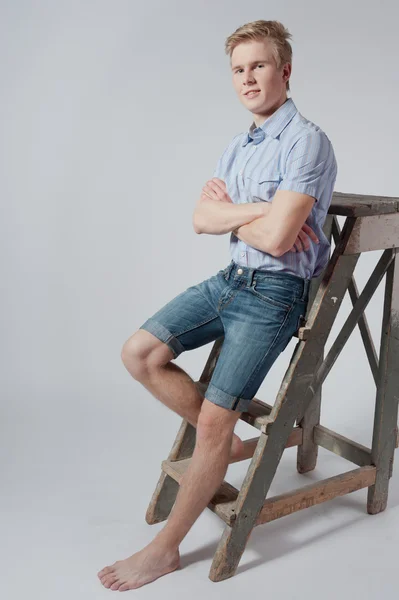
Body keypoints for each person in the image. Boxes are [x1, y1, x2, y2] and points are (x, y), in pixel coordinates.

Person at [97, 19, 337, 591]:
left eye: (259, 66)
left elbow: (280, 242)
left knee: (210, 421)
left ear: (285, 71)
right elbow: (202, 220)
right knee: (139, 353)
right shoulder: (239, 145)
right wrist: (263, 211)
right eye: (239, 69)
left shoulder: (307, 140)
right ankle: (225, 445)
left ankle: (165, 549)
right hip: (229, 280)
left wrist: (245, 215)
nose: (248, 78)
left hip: (275, 295)